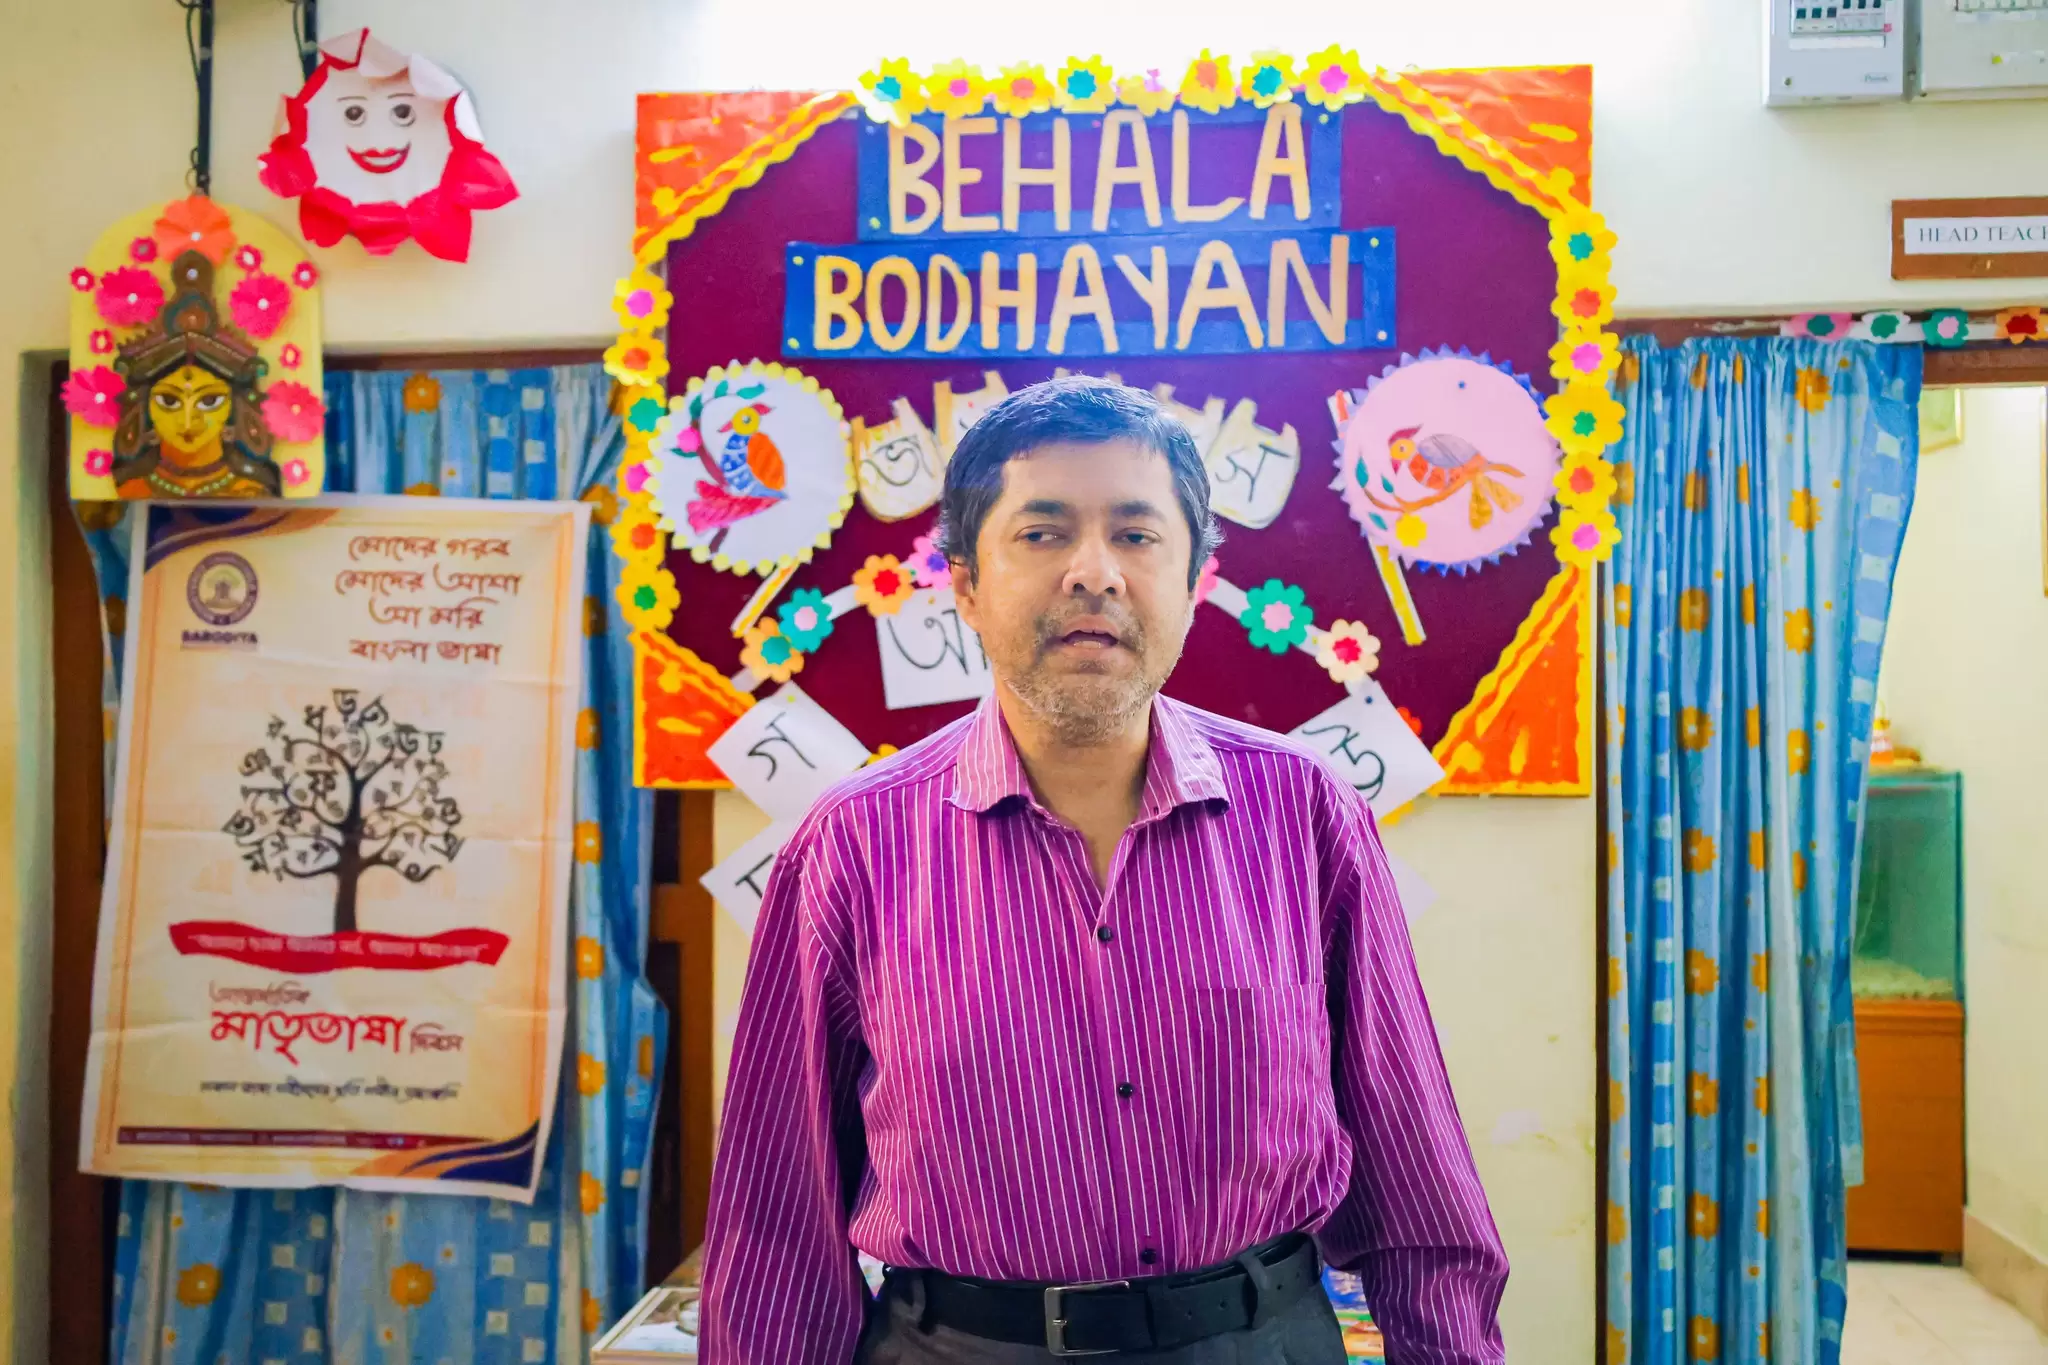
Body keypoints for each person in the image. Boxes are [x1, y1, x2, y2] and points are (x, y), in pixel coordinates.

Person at [701, 377, 1507, 1363]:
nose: (1094, 573)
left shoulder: (1306, 816)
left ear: (1193, 579)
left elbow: (1414, 1178)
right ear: (964, 585)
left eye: (1135, 534)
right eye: (1042, 534)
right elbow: (776, 1220)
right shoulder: (850, 846)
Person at [111, 250, 283, 498]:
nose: (188, 421)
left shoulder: (250, 491)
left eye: (209, 401)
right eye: (169, 401)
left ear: (235, 410)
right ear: (144, 408)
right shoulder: (134, 488)